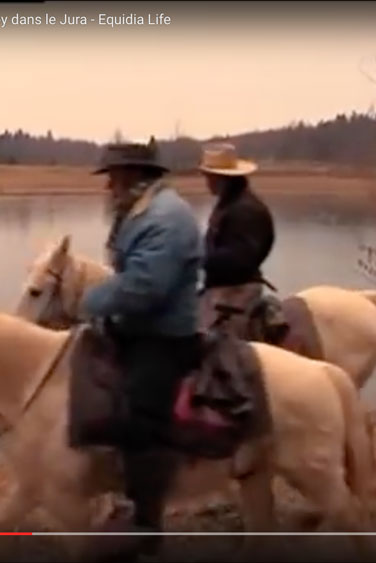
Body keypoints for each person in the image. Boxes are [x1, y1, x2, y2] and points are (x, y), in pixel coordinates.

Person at [80, 139, 202, 553]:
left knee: (139, 415)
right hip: (137, 328)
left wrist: (90, 301)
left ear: (134, 177)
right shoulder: (139, 212)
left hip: (164, 336)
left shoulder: (165, 219)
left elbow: (143, 288)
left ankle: (146, 522)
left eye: (112, 177)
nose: (107, 186)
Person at [198, 143, 276, 339]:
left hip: (236, 292)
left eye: (209, 177)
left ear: (221, 178)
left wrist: (197, 257)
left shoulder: (245, 210)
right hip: (222, 287)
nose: (206, 182)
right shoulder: (232, 203)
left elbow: (239, 259)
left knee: (205, 341)